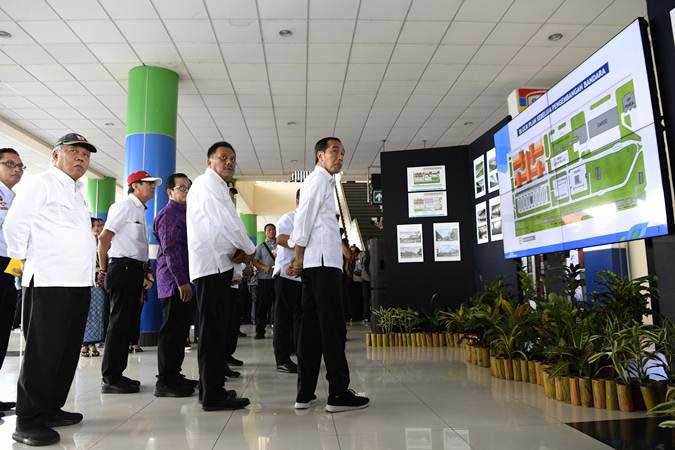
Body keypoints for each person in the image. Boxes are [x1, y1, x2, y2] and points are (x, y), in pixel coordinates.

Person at [5, 133, 97, 446]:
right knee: (42, 355)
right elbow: (15, 225)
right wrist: (23, 263)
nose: (81, 158)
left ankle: (51, 408)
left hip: (77, 282)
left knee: (66, 351)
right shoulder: (39, 183)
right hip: (48, 281)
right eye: (73, 151)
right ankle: (28, 420)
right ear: (55, 155)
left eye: (85, 154)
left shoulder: (78, 191)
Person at [288, 137, 369, 413]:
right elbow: (305, 218)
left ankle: (305, 394)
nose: (340, 156)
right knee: (333, 328)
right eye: (335, 151)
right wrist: (298, 257)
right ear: (320, 155)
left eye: (343, 152)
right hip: (321, 265)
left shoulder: (325, 182)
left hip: (318, 265)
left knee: (311, 331)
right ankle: (338, 393)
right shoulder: (319, 180)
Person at [186, 141, 254, 411]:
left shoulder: (216, 186)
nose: (229, 162)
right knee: (213, 333)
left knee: (215, 331)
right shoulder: (207, 184)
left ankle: (211, 389)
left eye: (232, 158)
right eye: (223, 157)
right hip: (212, 267)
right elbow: (227, 222)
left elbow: (226, 224)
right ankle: (212, 395)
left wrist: (242, 249)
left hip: (217, 265)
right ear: (209, 161)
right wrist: (249, 249)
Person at [97, 170, 161, 394]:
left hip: (133, 271)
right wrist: (103, 270)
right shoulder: (124, 206)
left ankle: (118, 374)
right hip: (121, 268)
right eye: (149, 184)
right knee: (119, 323)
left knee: (127, 324)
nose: (153, 187)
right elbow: (104, 238)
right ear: (135, 185)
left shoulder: (139, 210)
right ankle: (110, 378)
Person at [153, 173, 196, 398]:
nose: (186, 192)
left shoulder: (185, 213)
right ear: (170, 191)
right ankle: (165, 382)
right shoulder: (169, 214)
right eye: (182, 188)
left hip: (184, 280)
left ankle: (174, 375)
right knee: (171, 332)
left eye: (189, 188)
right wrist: (181, 281)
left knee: (180, 332)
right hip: (174, 283)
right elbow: (171, 250)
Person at [0, 147, 24, 417]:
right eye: (10, 164)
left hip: (6, 271)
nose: (16, 169)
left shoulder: (13, 198)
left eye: (20, 166)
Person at [272, 189, 302, 374]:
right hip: (285, 275)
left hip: (303, 276)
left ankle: (301, 352)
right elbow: (281, 238)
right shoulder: (289, 218)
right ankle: (282, 359)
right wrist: (299, 242)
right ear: (298, 200)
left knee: (301, 317)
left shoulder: (312, 220)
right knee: (283, 318)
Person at [81, 218, 106, 357]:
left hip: (99, 284)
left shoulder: (106, 243)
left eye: (99, 225)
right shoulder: (83, 243)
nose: (97, 228)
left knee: (97, 313)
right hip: (85, 281)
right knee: (86, 312)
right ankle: (84, 344)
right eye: (94, 226)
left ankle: (93, 343)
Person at [253, 223, 277, 339]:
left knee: (278, 306)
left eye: (273, 230)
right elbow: (255, 261)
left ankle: (278, 329)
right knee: (262, 306)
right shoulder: (260, 246)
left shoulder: (281, 245)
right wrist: (265, 268)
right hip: (264, 280)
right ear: (265, 232)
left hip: (278, 280)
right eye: (269, 230)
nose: (271, 232)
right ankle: (260, 331)